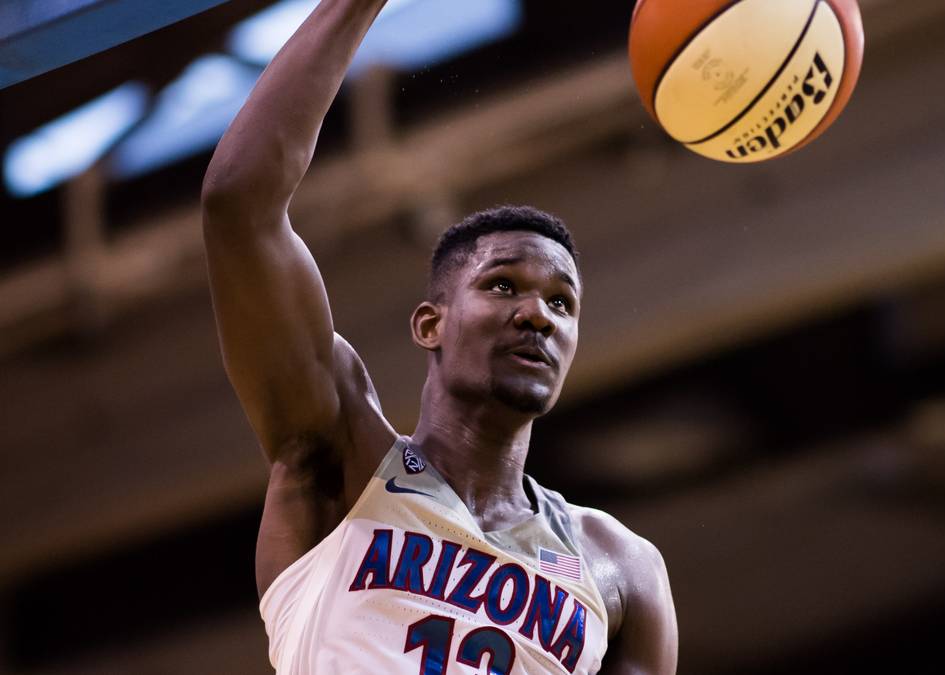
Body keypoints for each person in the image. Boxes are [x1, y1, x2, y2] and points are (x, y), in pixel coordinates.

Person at [199, 1, 678, 673]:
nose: (539, 315)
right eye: (503, 285)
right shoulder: (340, 453)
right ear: (431, 324)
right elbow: (238, 202)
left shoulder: (619, 563)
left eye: (561, 302)